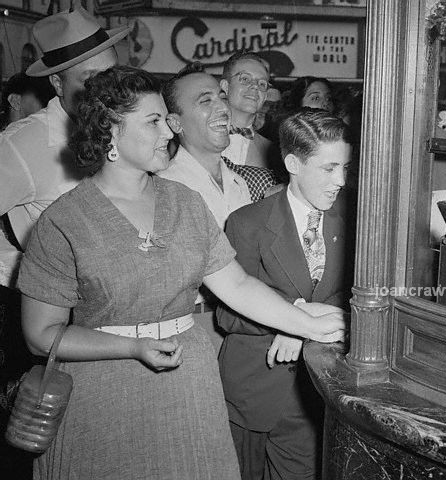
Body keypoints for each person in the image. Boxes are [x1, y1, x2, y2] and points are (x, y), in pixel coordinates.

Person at [17, 66, 345, 480]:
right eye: (153, 121)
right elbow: (40, 334)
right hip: (104, 398)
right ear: (111, 130)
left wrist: (306, 325)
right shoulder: (64, 221)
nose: (170, 133)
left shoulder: (185, 204)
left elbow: (238, 286)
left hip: (189, 390)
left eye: (166, 121)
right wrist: (132, 348)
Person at [217, 109, 353, 480]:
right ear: (293, 163)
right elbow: (226, 315)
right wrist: (294, 315)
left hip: (314, 396)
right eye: (328, 169)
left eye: (345, 167)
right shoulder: (247, 223)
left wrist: (303, 322)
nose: (340, 180)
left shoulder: (355, 220)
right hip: (252, 391)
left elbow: (357, 296)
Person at [159, 62, 278, 352]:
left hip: (244, 323)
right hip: (192, 328)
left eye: (222, 98)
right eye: (205, 101)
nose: (223, 108)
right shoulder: (164, 188)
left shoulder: (240, 182)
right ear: (175, 124)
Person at [0, 6, 128, 251]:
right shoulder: (25, 143)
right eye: (90, 79)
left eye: (111, 74)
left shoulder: (127, 126)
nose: (107, 89)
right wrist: (16, 272)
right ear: (58, 84)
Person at [220, 51, 276, 169]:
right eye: (245, 79)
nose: (255, 86)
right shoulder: (196, 139)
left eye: (262, 84)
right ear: (225, 86)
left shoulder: (272, 153)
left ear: (265, 96)